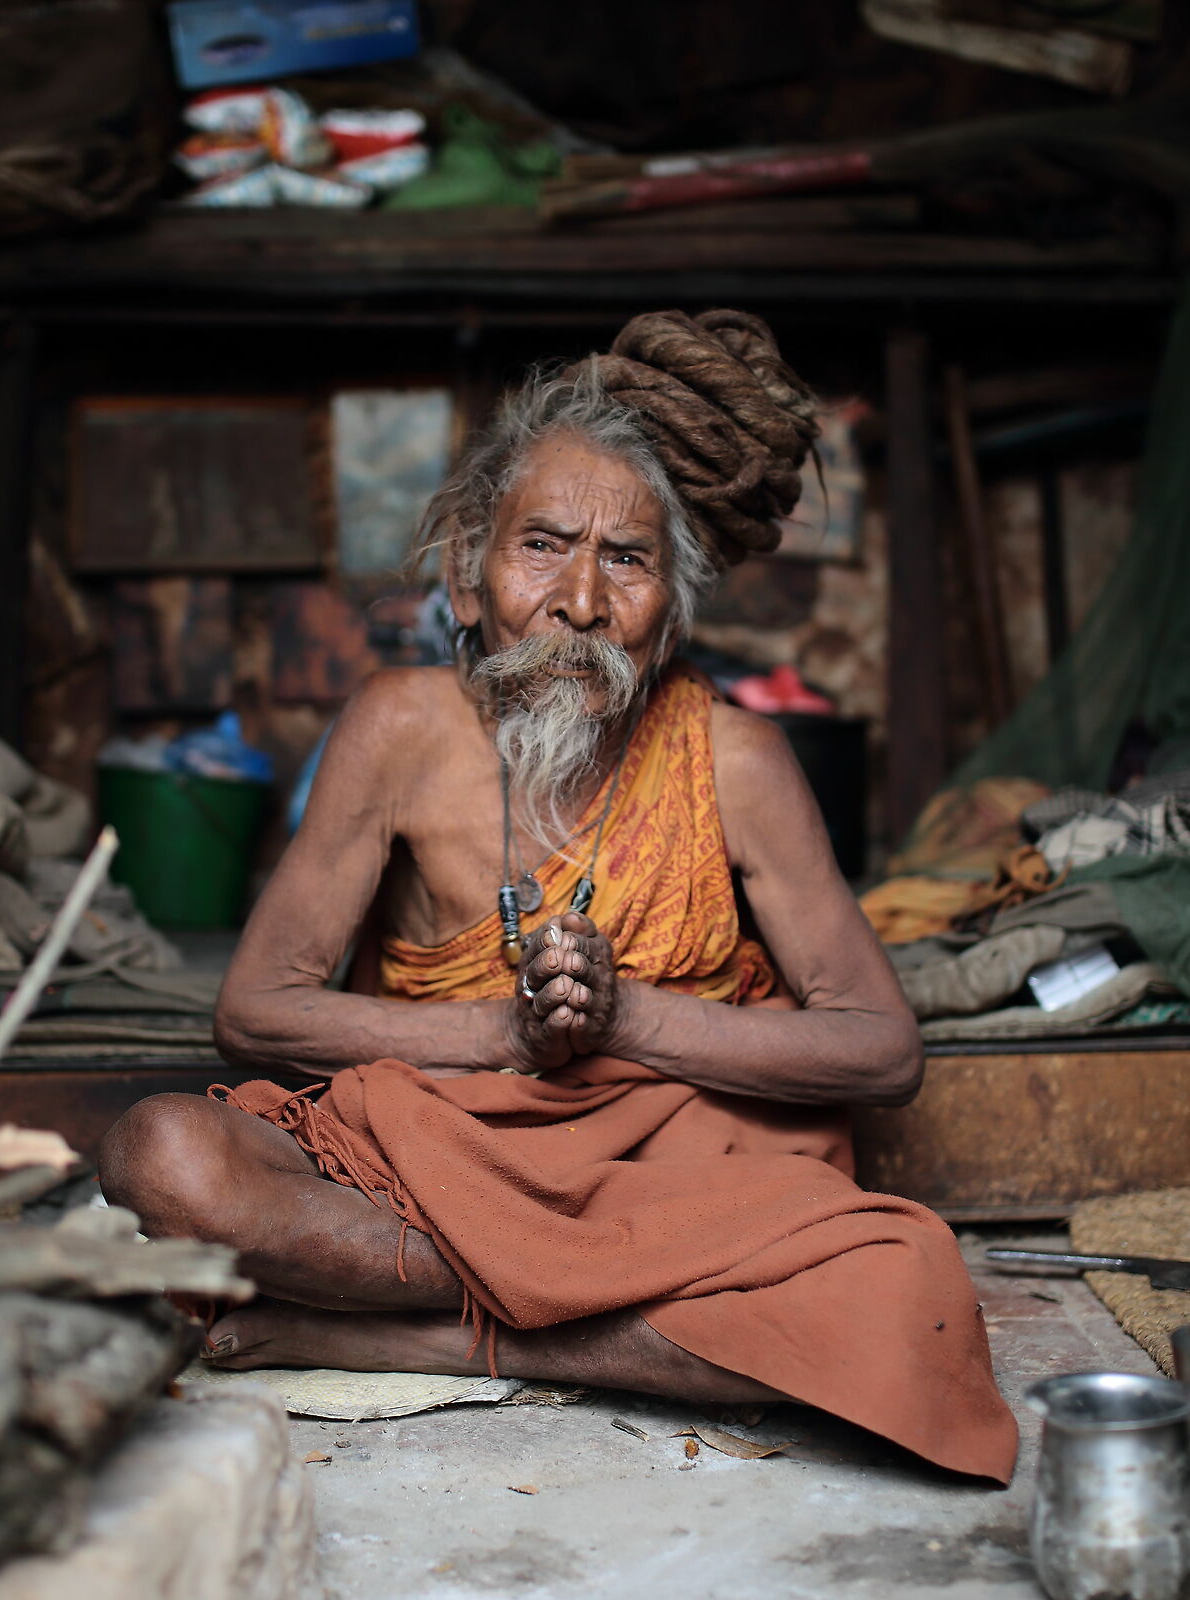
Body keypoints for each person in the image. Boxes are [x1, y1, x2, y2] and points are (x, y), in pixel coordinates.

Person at [101, 310, 1017, 1480]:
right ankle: (573, 1317)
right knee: (163, 1156)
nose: (580, 599)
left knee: (907, 1300)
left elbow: (883, 1049)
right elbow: (257, 1011)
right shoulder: (398, 728)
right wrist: (502, 1034)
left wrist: (630, 1021)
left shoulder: (737, 760)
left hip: (666, 1193)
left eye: (626, 561)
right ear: (466, 577)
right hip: (436, 1174)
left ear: (672, 615)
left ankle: (453, 1338)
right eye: (542, 545)